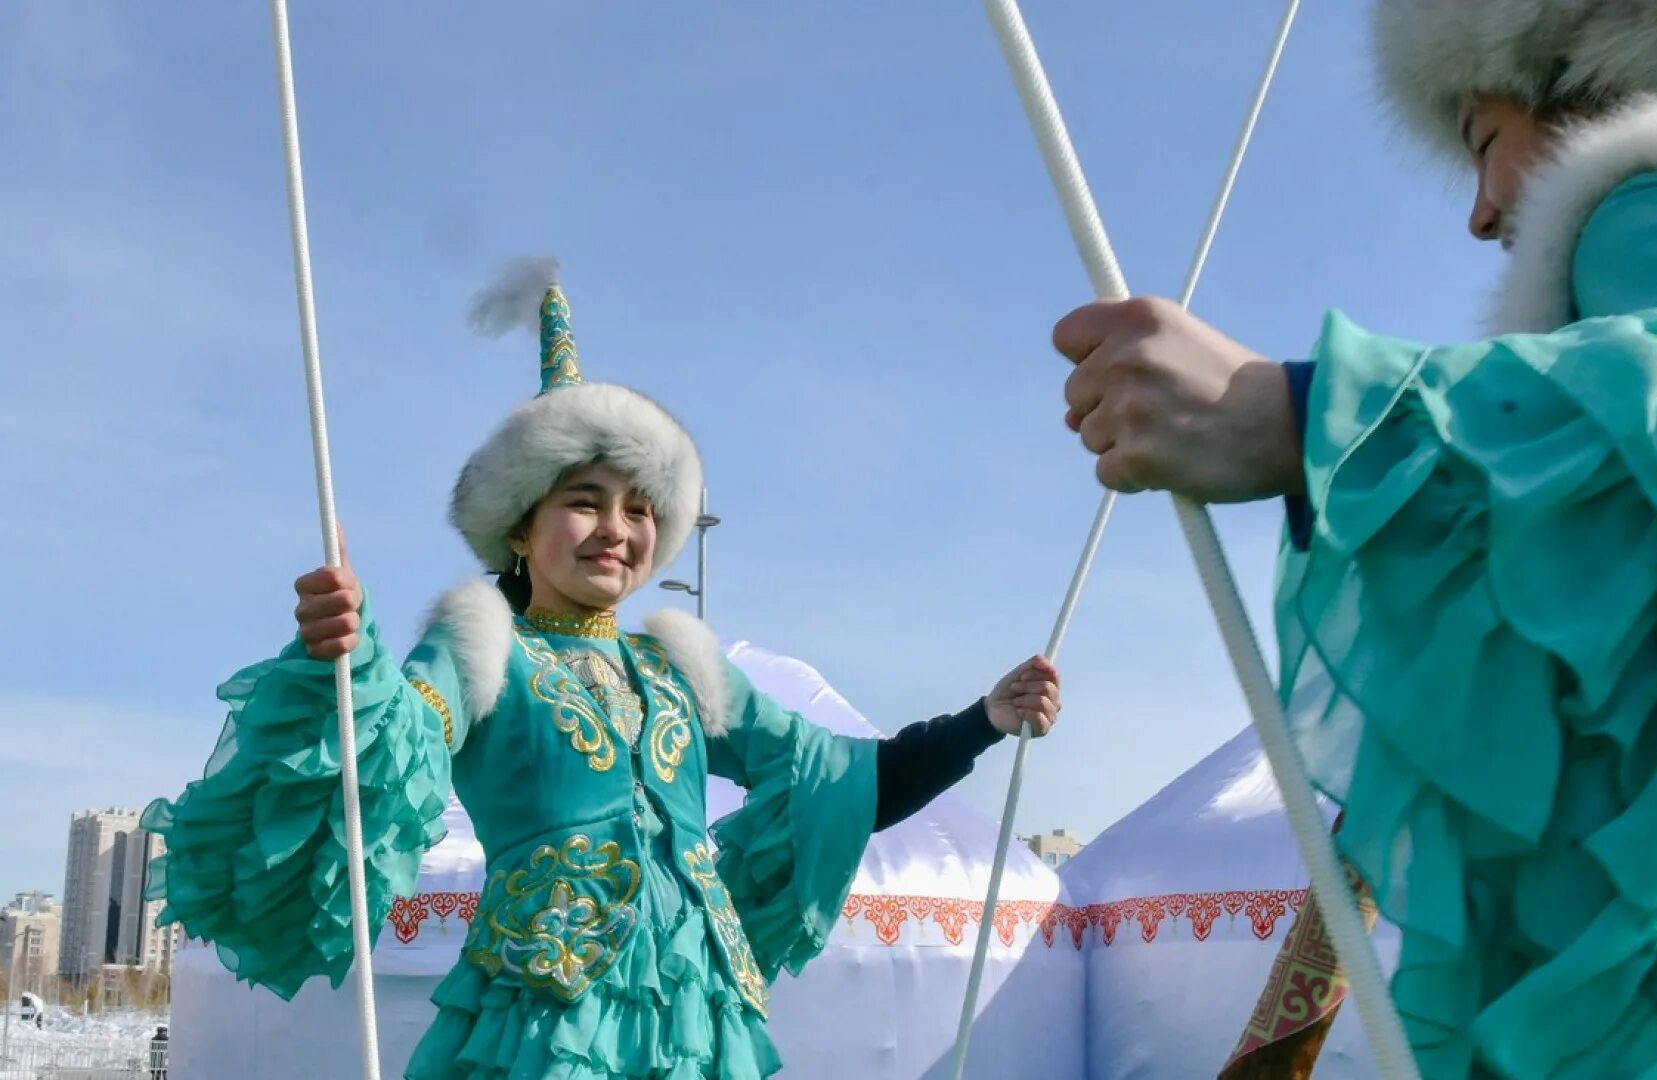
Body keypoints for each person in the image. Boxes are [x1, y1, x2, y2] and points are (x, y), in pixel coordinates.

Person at [1045, 1, 1657, 1076]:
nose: (1479, 212)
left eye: (1481, 142)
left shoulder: (1651, 195)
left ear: (1581, 72)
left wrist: (1315, 417)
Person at [141, 261, 1063, 1079]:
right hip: (546, 1020)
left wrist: (983, 718)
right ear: (519, 524)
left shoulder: (680, 668)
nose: (616, 529)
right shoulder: (481, 645)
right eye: (584, 503)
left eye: (637, 507)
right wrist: (344, 658)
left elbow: (844, 781)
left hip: (698, 1017)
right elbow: (394, 737)